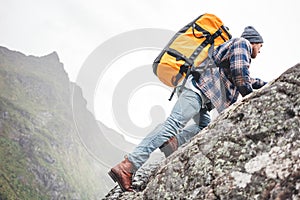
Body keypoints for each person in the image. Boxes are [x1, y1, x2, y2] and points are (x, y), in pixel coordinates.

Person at [108, 26, 267, 192]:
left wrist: (266, 84)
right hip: (197, 90)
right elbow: (240, 75)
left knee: (204, 127)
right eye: (260, 47)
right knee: (172, 124)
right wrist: (250, 100)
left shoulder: (237, 49)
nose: (260, 51)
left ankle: (173, 142)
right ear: (254, 41)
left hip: (202, 95)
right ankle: (127, 166)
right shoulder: (243, 44)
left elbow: (245, 77)